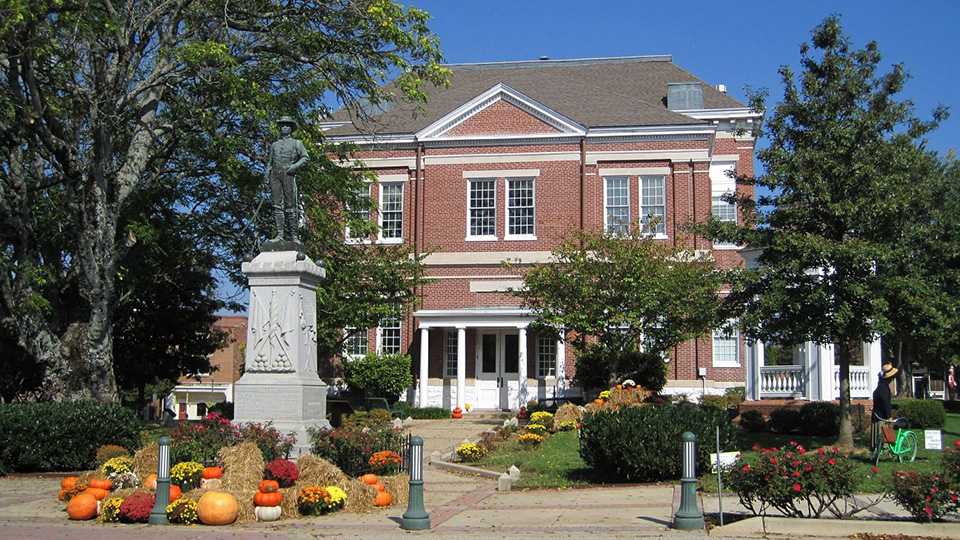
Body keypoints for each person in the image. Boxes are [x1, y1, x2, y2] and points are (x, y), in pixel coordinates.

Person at [264, 116, 309, 243]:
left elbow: (305, 158)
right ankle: (279, 235)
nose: (284, 127)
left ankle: (294, 236)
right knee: (277, 205)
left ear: (291, 128)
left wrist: (294, 166)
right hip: (275, 174)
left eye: (287, 125)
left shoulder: (296, 143)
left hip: (288, 173)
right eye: (282, 125)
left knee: (291, 205)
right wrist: (266, 178)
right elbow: (269, 163)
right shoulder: (274, 145)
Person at [871, 362, 898, 453]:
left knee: (877, 436)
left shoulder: (880, 387)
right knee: (884, 433)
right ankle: (882, 448)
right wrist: (888, 415)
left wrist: (893, 406)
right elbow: (885, 402)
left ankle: (876, 450)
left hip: (876, 415)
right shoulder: (884, 389)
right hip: (881, 417)